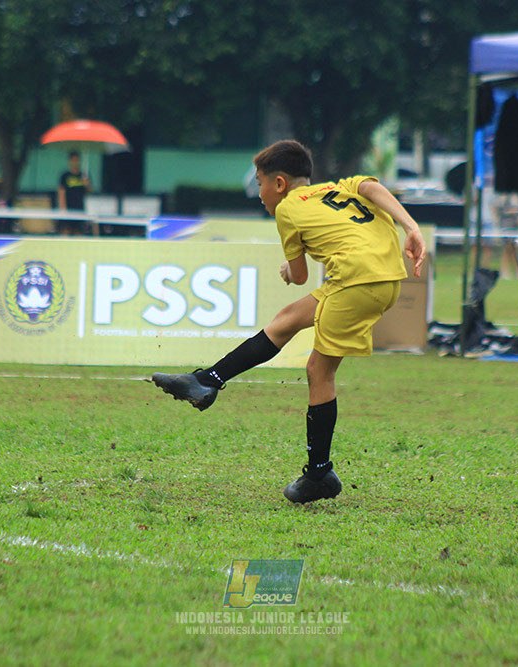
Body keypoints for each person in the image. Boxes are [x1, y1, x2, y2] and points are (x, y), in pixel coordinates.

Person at [151, 140, 426, 504]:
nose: (259, 192)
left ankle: (318, 475)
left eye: (260, 182)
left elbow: (298, 276)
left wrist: (286, 268)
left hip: (357, 280)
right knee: (286, 321)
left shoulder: (287, 210)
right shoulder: (333, 188)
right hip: (381, 277)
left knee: (318, 371)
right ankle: (205, 381)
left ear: (279, 184)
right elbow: (371, 187)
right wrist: (411, 226)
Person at [57, 151, 91, 236]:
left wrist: (87, 184)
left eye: (77, 160)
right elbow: (61, 192)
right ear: (70, 161)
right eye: (73, 160)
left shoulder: (84, 176)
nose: (75, 162)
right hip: (68, 207)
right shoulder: (65, 175)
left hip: (79, 208)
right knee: (66, 230)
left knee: (78, 231)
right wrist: (63, 208)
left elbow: (89, 191)